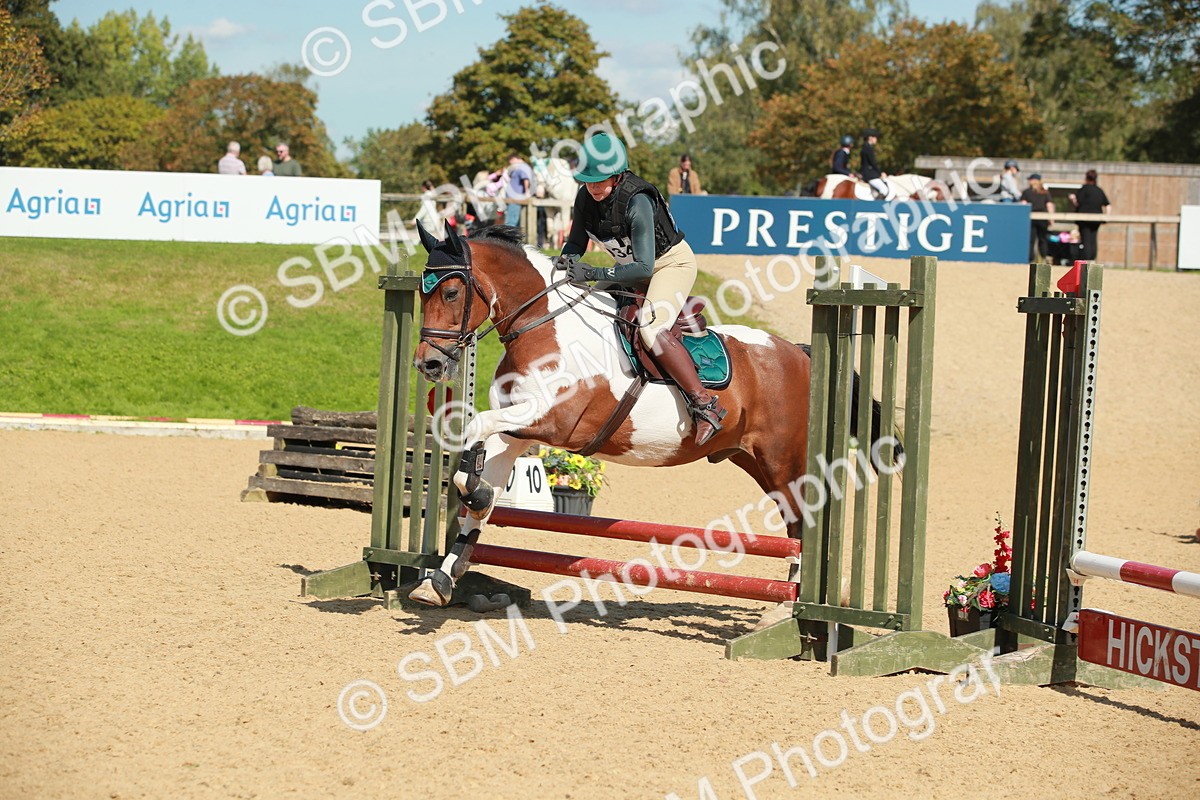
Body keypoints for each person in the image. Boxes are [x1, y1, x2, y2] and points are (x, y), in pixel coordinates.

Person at [553, 132, 726, 446]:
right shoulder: (585, 198)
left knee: (650, 329)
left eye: (599, 181)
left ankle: (705, 405)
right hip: (629, 268)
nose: (592, 187)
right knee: (584, 305)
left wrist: (592, 272)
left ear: (617, 176)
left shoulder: (637, 201)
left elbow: (644, 268)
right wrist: (565, 261)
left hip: (668, 265)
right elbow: (576, 242)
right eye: (588, 181)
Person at [1068, 169, 1111, 262]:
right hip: (1097, 219)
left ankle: (1087, 260)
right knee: (1093, 239)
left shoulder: (1083, 189)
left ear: (1086, 177)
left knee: (1086, 239)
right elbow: (1108, 205)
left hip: (1084, 219)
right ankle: (1092, 259)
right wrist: (1106, 217)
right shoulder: (1099, 190)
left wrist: (1073, 199)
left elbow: (1078, 203)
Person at [1020, 173, 1054, 262]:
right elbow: (1049, 205)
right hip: (1043, 218)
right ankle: (1044, 257)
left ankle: (1030, 258)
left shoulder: (1026, 192)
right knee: (1043, 239)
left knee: (1031, 240)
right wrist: (1051, 218)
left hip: (1031, 219)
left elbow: (1023, 205)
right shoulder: (1045, 192)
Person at [504, 152, 534, 227]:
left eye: (511, 162)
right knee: (512, 219)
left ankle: (508, 234)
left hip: (515, 197)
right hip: (512, 197)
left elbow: (526, 179)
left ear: (514, 159)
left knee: (511, 221)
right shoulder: (519, 167)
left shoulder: (522, 167)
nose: (510, 164)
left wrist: (527, 191)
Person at [859, 128, 888, 199]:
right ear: (870, 138)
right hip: (870, 175)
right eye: (875, 137)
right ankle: (876, 204)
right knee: (884, 190)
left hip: (867, 173)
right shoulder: (869, 149)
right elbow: (873, 163)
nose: (876, 139)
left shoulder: (865, 147)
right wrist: (880, 173)